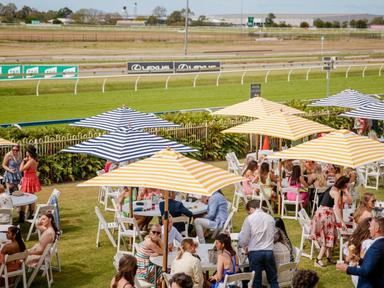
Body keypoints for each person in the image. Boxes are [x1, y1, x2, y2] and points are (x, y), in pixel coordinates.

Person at [311, 176, 352, 268]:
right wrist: (342, 221)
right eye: (347, 184)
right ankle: (318, 260)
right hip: (326, 215)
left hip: (320, 213)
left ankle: (329, 257)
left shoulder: (332, 188)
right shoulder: (336, 193)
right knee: (328, 236)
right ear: (344, 184)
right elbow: (337, 208)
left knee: (329, 235)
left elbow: (345, 203)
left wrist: (345, 192)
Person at [238, 199, 278, 288]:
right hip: (269, 252)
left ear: (251, 208)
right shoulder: (270, 217)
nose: (248, 214)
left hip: (255, 253)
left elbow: (244, 239)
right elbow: (275, 235)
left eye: (248, 212)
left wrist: (243, 245)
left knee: (256, 282)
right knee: (273, 280)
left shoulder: (249, 219)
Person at [336, 216, 384, 288]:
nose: (369, 228)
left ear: (377, 229)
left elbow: (365, 271)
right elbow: (375, 265)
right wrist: (360, 260)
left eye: (371, 226)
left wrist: (347, 268)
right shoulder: (380, 243)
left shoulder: (377, 246)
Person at [344, 218, 373, 287]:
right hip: (363, 274)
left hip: (354, 273)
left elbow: (347, 259)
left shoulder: (352, 240)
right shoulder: (368, 243)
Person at [19, 145, 41, 221]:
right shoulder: (33, 160)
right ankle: (29, 215)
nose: (26, 152)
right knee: (30, 197)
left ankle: (23, 216)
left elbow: (21, 169)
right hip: (30, 179)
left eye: (27, 151)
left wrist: (23, 161)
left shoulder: (31, 161)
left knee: (25, 197)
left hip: (29, 180)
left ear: (29, 152)